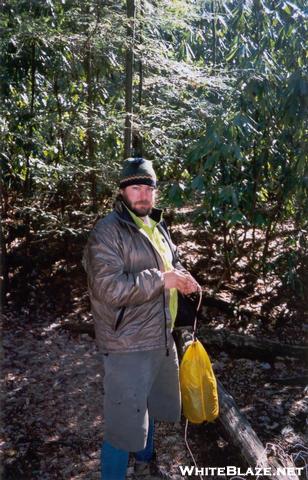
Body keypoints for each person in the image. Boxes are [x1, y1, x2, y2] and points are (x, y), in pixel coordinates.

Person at [83, 158, 200, 479]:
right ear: (122, 191)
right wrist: (163, 279)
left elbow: (172, 266)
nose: (143, 194)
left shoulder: (157, 227)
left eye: (148, 187)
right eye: (135, 187)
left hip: (161, 338)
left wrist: (185, 279)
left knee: (148, 408)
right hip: (126, 345)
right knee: (123, 424)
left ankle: (146, 464)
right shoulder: (107, 232)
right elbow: (109, 289)